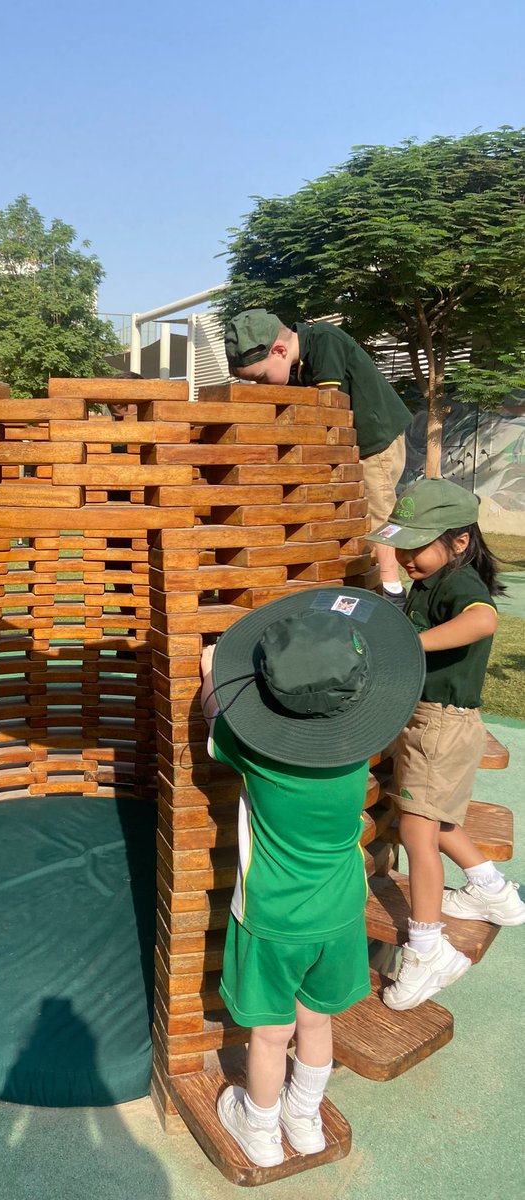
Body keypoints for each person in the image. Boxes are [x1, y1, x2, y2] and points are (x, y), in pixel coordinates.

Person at [200, 586, 424, 1167]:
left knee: (271, 1033)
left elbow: (215, 713)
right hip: (341, 910)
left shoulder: (255, 750)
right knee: (315, 1019)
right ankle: (305, 1121)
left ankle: (260, 1128)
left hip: (273, 917)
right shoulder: (356, 750)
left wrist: (209, 673)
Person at [367, 478, 525, 1010]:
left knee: (416, 828)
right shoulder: (432, 579)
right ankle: (493, 891)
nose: (407, 557)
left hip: (440, 722)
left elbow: (482, 621)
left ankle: (428, 948)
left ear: (459, 541)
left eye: (416, 547)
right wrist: (390, 573)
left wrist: (413, 645)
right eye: (402, 545)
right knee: (438, 819)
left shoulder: (461, 584)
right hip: (431, 720)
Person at [222, 309, 412, 607]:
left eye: (260, 377)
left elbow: (326, 406)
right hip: (345, 448)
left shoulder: (324, 340)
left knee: (376, 512)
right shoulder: (292, 364)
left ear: (281, 350)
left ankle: (391, 588)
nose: (261, 387)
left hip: (373, 444)